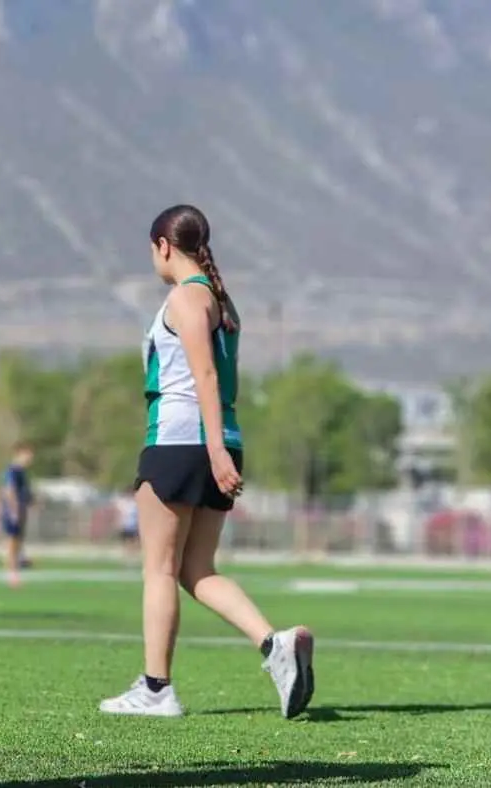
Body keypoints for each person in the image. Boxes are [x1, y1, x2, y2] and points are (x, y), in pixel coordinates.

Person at [99, 204, 314, 720]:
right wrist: (221, 447)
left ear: (163, 246)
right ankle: (273, 645)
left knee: (159, 568)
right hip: (217, 440)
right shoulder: (221, 299)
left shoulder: (187, 299)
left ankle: (155, 688)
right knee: (197, 570)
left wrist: (214, 450)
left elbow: (205, 379)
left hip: (179, 443)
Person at [0, 443, 34, 588]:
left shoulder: (22, 472)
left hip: (20, 510)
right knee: (12, 543)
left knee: (17, 542)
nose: (30, 458)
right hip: (13, 511)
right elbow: (9, 490)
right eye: (28, 455)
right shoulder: (13, 470)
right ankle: (12, 575)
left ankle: (17, 567)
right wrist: (14, 510)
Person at [115, 483, 140, 562]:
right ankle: (127, 557)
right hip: (126, 525)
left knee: (134, 541)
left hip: (134, 525)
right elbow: (120, 514)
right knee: (126, 541)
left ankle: (133, 556)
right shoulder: (124, 502)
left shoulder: (135, 502)